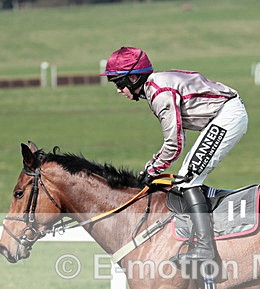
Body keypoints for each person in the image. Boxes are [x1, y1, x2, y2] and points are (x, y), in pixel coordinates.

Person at [101, 46, 249, 263]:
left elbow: (174, 144)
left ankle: (205, 250)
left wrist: (151, 170)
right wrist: (153, 167)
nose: (118, 90)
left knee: (188, 181)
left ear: (133, 78)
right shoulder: (156, 85)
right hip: (224, 114)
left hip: (227, 116)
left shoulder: (158, 93)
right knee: (186, 178)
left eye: (119, 83)